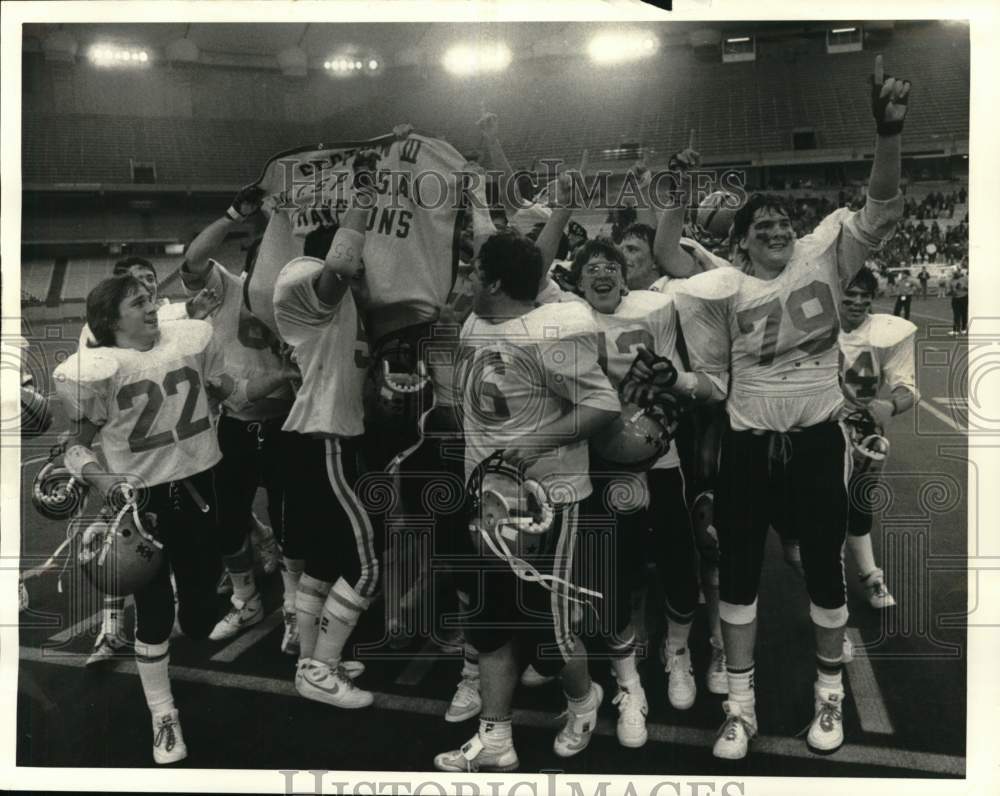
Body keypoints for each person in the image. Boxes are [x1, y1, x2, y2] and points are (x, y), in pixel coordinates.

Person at [671, 54, 907, 759]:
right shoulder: (722, 292)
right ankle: (739, 708)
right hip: (747, 447)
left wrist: (888, 133)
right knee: (738, 576)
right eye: (761, 224)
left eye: (781, 220)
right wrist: (678, 385)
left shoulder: (824, 254)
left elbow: (881, 206)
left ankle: (827, 696)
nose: (776, 227)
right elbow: (713, 381)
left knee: (828, 571)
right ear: (739, 241)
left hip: (813, 442)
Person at [53, 275, 294, 763]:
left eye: (150, 299)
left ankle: (187, 616)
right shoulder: (101, 369)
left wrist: (283, 376)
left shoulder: (188, 345)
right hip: (143, 505)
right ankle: (163, 715)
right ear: (110, 321)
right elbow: (75, 447)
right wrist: (106, 482)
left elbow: (239, 393)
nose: (151, 307)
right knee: (155, 611)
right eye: (137, 303)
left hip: (202, 490)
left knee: (200, 618)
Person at [434, 232, 621, 772]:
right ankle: (494, 739)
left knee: (552, 631)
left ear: (494, 282)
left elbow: (603, 404)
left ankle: (584, 703)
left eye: (475, 271)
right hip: (487, 500)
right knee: (489, 620)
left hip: (548, 500)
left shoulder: (553, 330)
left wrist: (532, 445)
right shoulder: (476, 321)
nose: (468, 277)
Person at [272, 157, 382, 710]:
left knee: (323, 560)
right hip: (326, 440)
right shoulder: (302, 281)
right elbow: (340, 260)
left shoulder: (346, 308)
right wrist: (366, 191)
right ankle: (322, 667)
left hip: (327, 438)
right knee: (365, 565)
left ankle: (310, 658)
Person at [179, 186, 299, 650]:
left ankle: (292, 607)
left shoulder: (301, 292)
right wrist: (235, 213)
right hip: (237, 420)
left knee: (291, 524)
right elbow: (192, 260)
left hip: (288, 421)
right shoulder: (228, 286)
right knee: (228, 522)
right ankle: (247, 599)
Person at [838, 267, 919, 608]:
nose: (857, 302)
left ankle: (871, 576)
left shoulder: (886, 334)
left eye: (864, 297)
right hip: (810, 426)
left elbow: (907, 387)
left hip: (860, 429)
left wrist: (891, 405)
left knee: (857, 505)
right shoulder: (811, 327)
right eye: (850, 295)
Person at [950, 267, 969, 335]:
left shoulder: (965, 278)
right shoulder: (951, 280)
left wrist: (963, 287)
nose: (954, 274)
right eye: (953, 273)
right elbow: (950, 291)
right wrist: (953, 292)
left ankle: (964, 328)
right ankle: (956, 330)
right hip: (955, 299)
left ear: (959, 272)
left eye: (955, 272)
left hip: (964, 298)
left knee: (964, 313)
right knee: (956, 315)